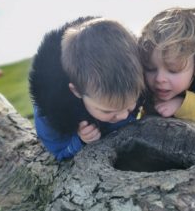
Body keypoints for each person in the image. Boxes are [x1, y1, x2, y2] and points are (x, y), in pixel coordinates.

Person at [29, 17, 145, 161]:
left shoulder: (141, 81)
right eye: (107, 110)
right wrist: (80, 140)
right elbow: (58, 151)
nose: (123, 116)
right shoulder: (50, 114)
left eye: (129, 106)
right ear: (77, 91)